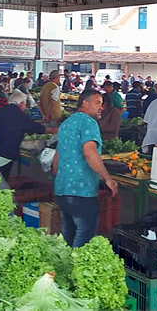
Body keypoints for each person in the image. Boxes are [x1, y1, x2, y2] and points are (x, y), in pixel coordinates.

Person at [53, 89, 118, 248]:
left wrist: (57, 179)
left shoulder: (66, 123)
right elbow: (90, 152)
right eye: (97, 103)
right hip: (80, 190)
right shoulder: (89, 123)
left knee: (69, 231)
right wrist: (108, 178)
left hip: (62, 189)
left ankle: (65, 268)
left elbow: (57, 155)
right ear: (85, 103)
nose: (101, 107)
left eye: (102, 104)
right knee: (84, 234)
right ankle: (78, 270)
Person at [0, 90, 48, 179]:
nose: (25, 106)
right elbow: (39, 129)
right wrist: (54, 130)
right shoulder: (22, 116)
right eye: (25, 103)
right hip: (6, 155)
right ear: (21, 104)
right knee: (1, 181)